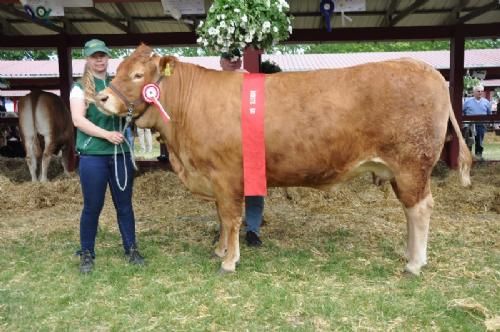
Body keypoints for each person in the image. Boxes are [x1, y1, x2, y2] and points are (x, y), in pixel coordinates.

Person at [70, 39, 144, 274]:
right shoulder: (79, 88)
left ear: (107, 57)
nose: (99, 59)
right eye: (94, 56)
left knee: (124, 206)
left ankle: (131, 248)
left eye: (102, 55)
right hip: (93, 155)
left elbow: (129, 108)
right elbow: (78, 120)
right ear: (87, 59)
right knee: (93, 206)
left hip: (120, 153)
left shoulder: (117, 85)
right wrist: (106, 135)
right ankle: (87, 252)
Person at [220, 49, 264, 247]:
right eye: (228, 58)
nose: (232, 61)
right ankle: (225, 230)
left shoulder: (249, 80)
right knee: (224, 189)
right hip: (222, 143)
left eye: (235, 58)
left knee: (253, 186)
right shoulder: (212, 82)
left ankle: (253, 230)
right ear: (221, 61)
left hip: (248, 138)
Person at [462, 85, 492, 160]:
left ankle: (478, 157)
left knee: (479, 142)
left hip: (481, 125)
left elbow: (489, 113)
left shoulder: (486, 102)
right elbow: (462, 112)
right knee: (469, 142)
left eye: (481, 91)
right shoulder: (467, 102)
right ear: (474, 92)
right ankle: (467, 157)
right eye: (478, 91)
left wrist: (488, 122)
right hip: (469, 125)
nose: (480, 93)